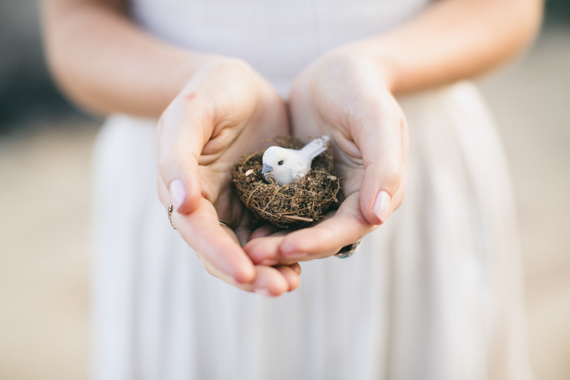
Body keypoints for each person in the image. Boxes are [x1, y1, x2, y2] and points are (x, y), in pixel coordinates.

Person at [43, 0, 542, 378]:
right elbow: (73, 24)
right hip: (195, 156)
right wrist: (191, 87)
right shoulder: (234, 167)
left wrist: (374, 68)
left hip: (391, 140)